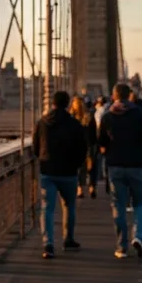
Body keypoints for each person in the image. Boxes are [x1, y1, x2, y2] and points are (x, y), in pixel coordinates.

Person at [32, 91, 87, 258]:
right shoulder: (74, 124)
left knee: (47, 208)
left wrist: (42, 160)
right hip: (68, 172)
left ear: (53, 103)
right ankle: (68, 239)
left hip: (47, 170)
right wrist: (76, 165)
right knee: (69, 206)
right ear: (67, 104)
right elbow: (82, 149)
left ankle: (48, 243)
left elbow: (35, 146)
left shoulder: (42, 122)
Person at [98, 82, 142, 258]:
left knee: (118, 204)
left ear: (114, 96)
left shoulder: (107, 117)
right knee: (141, 203)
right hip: (137, 165)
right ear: (129, 95)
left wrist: (108, 148)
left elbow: (101, 142)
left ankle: (121, 247)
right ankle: (139, 237)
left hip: (115, 165)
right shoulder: (140, 114)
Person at [69, 95, 98, 198]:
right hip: (89, 145)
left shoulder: (71, 118)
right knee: (92, 167)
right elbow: (94, 133)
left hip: (76, 146)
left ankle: (80, 189)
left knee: (79, 168)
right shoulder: (89, 116)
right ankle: (91, 187)